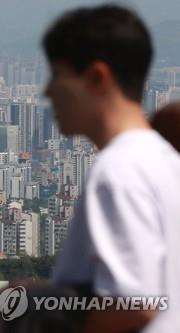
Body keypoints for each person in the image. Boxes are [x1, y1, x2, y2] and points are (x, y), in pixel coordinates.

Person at [42, 5, 180, 333]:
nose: (48, 92)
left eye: (57, 76)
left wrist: (28, 309)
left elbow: (135, 304)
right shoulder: (167, 160)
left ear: (96, 78)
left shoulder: (118, 171)